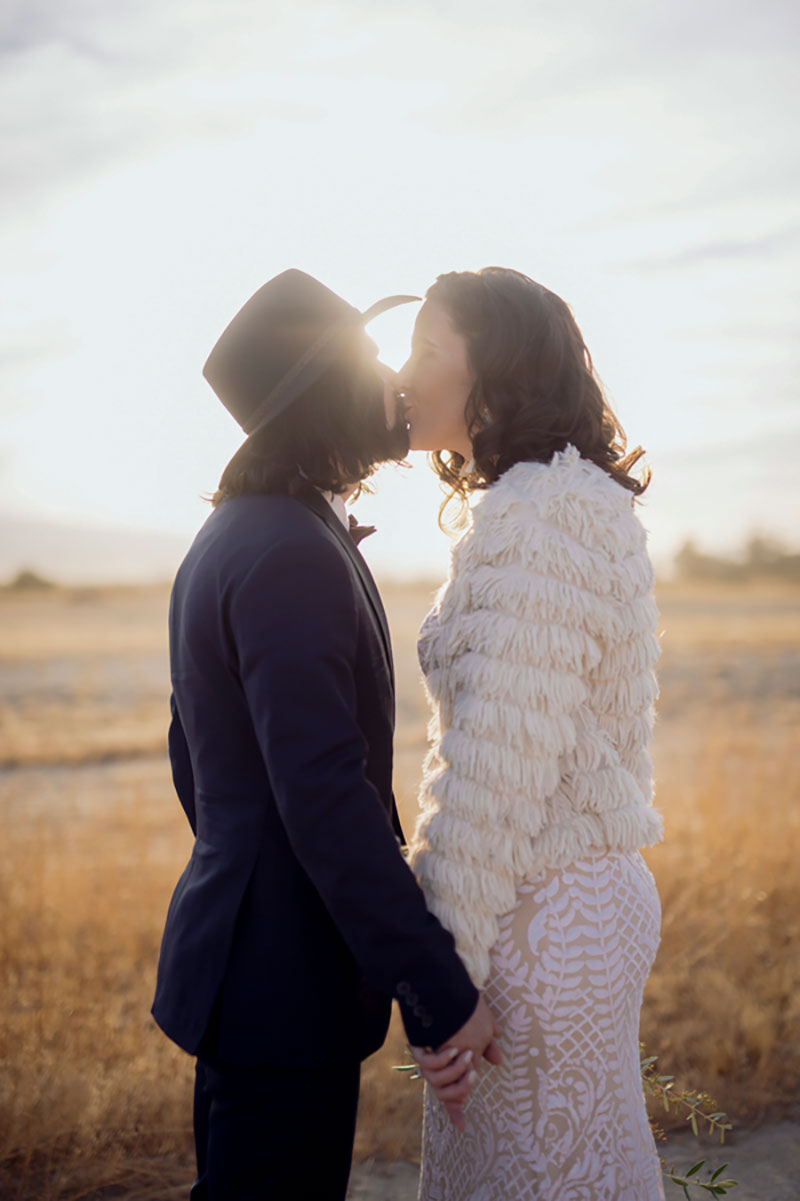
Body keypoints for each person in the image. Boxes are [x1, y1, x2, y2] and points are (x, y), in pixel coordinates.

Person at [151, 269, 500, 1201]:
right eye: (372, 360)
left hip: (252, 965)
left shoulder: (236, 533)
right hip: (282, 982)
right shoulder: (290, 553)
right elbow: (327, 799)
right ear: (319, 398)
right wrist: (438, 992)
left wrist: (242, 859)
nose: (392, 378)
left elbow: (193, 754)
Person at [398, 267, 666, 1200]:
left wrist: (445, 986)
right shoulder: (565, 502)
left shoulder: (540, 515)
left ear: (497, 372)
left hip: (538, 917)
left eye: (430, 350)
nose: (403, 371)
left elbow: (494, 774)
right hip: (577, 897)